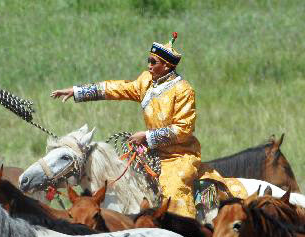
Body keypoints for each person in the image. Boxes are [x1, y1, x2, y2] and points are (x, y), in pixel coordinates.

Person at [51, 32, 204, 218]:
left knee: (174, 190)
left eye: (153, 62)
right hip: (148, 152)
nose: (149, 65)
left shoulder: (183, 91)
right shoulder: (146, 81)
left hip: (177, 155)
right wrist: (77, 91)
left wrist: (146, 136)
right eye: (148, 60)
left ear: (167, 66)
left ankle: (183, 229)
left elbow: (183, 130)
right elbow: (118, 88)